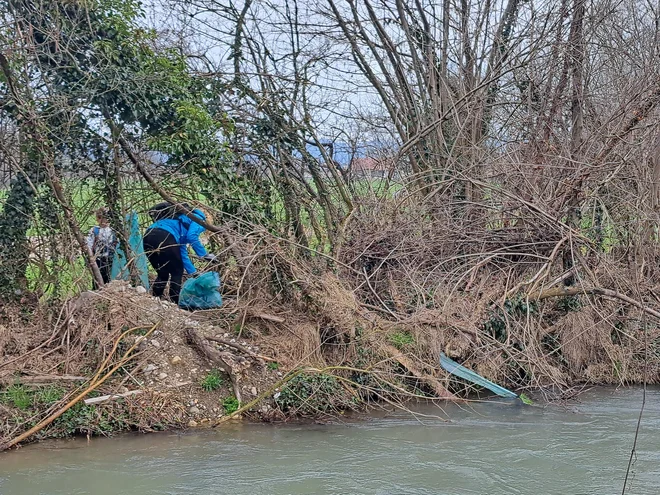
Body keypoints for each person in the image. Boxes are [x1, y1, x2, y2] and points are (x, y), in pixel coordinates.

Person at [142, 207, 216, 304]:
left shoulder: (182, 218)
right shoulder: (199, 219)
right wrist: (204, 254)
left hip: (148, 236)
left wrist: (193, 272)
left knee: (162, 272)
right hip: (166, 236)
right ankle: (175, 301)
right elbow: (192, 236)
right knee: (177, 271)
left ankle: (156, 300)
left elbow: (181, 252)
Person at [86, 207, 117, 289]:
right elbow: (88, 245)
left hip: (111, 259)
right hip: (98, 259)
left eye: (105, 218)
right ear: (97, 219)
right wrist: (91, 258)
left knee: (110, 280)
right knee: (97, 280)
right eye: (100, 218)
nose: (103, 221)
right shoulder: (94, 230)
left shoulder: (113, 230)